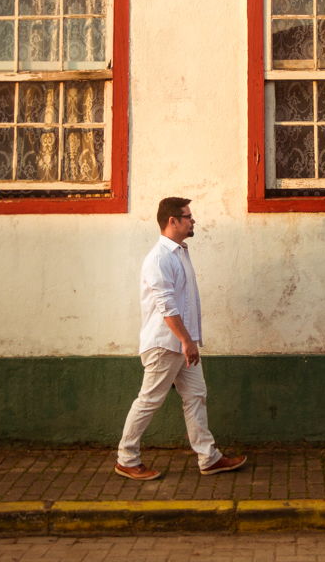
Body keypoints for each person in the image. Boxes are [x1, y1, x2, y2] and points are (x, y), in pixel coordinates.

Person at [115, 197, 247, 480]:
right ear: (172, 221)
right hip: (166, 344)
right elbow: (166, 306)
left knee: (196, 396)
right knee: (149, 400)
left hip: (183, 344)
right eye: (187, 216)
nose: (193, 220)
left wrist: (189, 341)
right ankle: (126, 458)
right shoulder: (159, 258)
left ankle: (209, 457)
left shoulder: (179, 253)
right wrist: (186, 341)